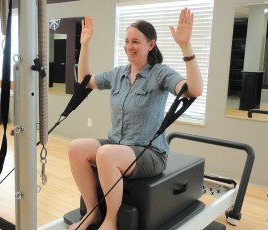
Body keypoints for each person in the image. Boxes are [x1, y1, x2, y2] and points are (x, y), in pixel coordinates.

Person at [67, 8, 202, 230]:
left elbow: (194, 90)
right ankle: (92, 212)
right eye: (127, 41)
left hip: (149, 153)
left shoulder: (160, 73)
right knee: (76, 148)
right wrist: (85, 44)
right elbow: (84, 81)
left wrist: (185, 46)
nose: (130, 46)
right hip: (117, 145)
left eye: (136, 42)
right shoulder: (118, 74)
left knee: (106, 154)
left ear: (151, 45)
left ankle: (111, 220)